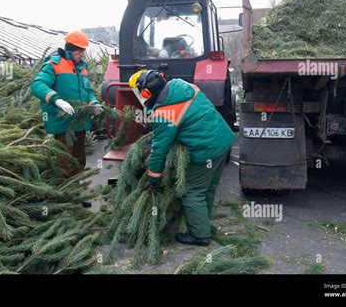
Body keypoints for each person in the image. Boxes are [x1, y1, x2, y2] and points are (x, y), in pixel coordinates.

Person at [129, 69, 236, 246]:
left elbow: (159, 149)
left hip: (205, 150)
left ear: (146, 92)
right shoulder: (182, 85)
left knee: (192, 192)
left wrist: (153, 176)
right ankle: (203, 223)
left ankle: (200, 236)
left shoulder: (165, 113)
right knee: (207, 188)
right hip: (223, 141)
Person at [30, 30, 103, 177]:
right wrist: (57, 100)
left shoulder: (81, 68)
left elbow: (88, 90)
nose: (82, 54)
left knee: (79, 161)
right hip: (63, 124)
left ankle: (77, 193)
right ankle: (67, 194)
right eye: (80, 51)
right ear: (70, 49)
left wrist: (94, 103)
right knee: (65, 163)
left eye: (84, 51)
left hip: (80, 122)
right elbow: (37, 85)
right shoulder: (54, 64)